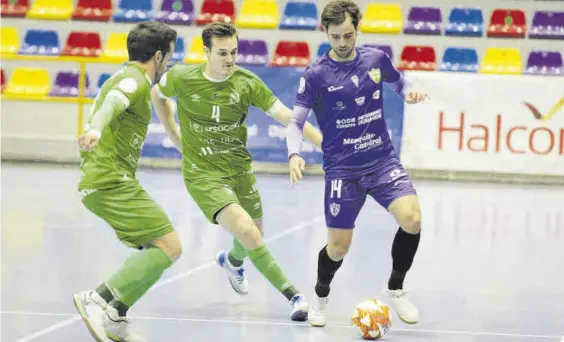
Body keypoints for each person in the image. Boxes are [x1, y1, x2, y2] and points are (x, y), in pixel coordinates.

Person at [151, 22, 323, 321]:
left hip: (239, 169)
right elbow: (157, 94)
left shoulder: (247, 82)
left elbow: (287, 116)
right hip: (203, 173)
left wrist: (325, 144)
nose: (230, 59)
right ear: (206, 52)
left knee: (255, 233)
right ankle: (293, 295)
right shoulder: (182, 78)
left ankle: (232, 261)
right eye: (222, 53)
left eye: (234, 51)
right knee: (245, 229)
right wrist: (175, 135)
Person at [286, 0, 428, 328]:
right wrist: (294, 153)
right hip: (342, 170)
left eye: (347, 35)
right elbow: (295, 123)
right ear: (326, 32)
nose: (342, 42)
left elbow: (401, 82)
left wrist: (410, 92)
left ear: (357, 28)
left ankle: (397, 287)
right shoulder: (316, 75)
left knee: (413, 220)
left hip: (381, 161)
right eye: (335, 37)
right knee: (338, 248)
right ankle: (321, 295)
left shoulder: (376, 59)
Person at [74, 22, 179, 342]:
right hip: (111, 181)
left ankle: (116, 318)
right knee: (170, 246)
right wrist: (95, 130)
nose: (171, 64)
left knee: (153, 249)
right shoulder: (133, 81)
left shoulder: (125, 76)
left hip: (103, 180)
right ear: (158, 57)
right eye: (170, 57)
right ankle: (99, 300)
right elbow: (112, 104)